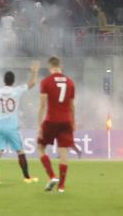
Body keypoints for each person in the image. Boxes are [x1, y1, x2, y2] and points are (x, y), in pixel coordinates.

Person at [0, 60, 40, 184]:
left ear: (4, 81)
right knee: (20, 152)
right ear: (13, 81)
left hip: (0, 125)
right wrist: (34, 71)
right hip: (12, 126)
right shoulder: (17, 90)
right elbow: (32, 83)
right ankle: (27, 177)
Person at [37, 56, 75, 193]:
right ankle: (61, 187)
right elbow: (71, 106)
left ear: (50, 67)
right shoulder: (70, 82)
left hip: (51, 119)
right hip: (66, 121)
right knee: (63, 153)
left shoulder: (46, 82)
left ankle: (52, 176)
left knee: (40, 147)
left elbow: (42, 106)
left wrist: (39, 125)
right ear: (60, 66)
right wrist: (73, 122)